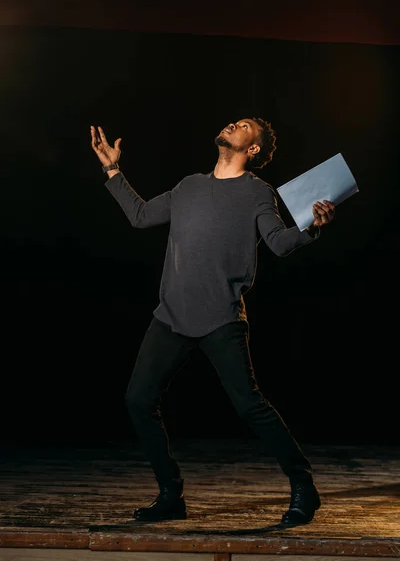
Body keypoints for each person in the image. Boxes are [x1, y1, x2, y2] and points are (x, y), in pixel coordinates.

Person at [90, 118, 335, 526]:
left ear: (252, 148)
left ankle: (303, 486)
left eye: (242, 125)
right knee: (137, 399)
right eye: (232, 121)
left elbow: (278, 242)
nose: (231, 124)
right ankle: (171, 495)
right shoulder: (188, 186)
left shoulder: (258, 192)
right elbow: (140, 215)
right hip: (171, 315)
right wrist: (112, 169)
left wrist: (312, 226)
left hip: (221, 317)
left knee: (250, 405)